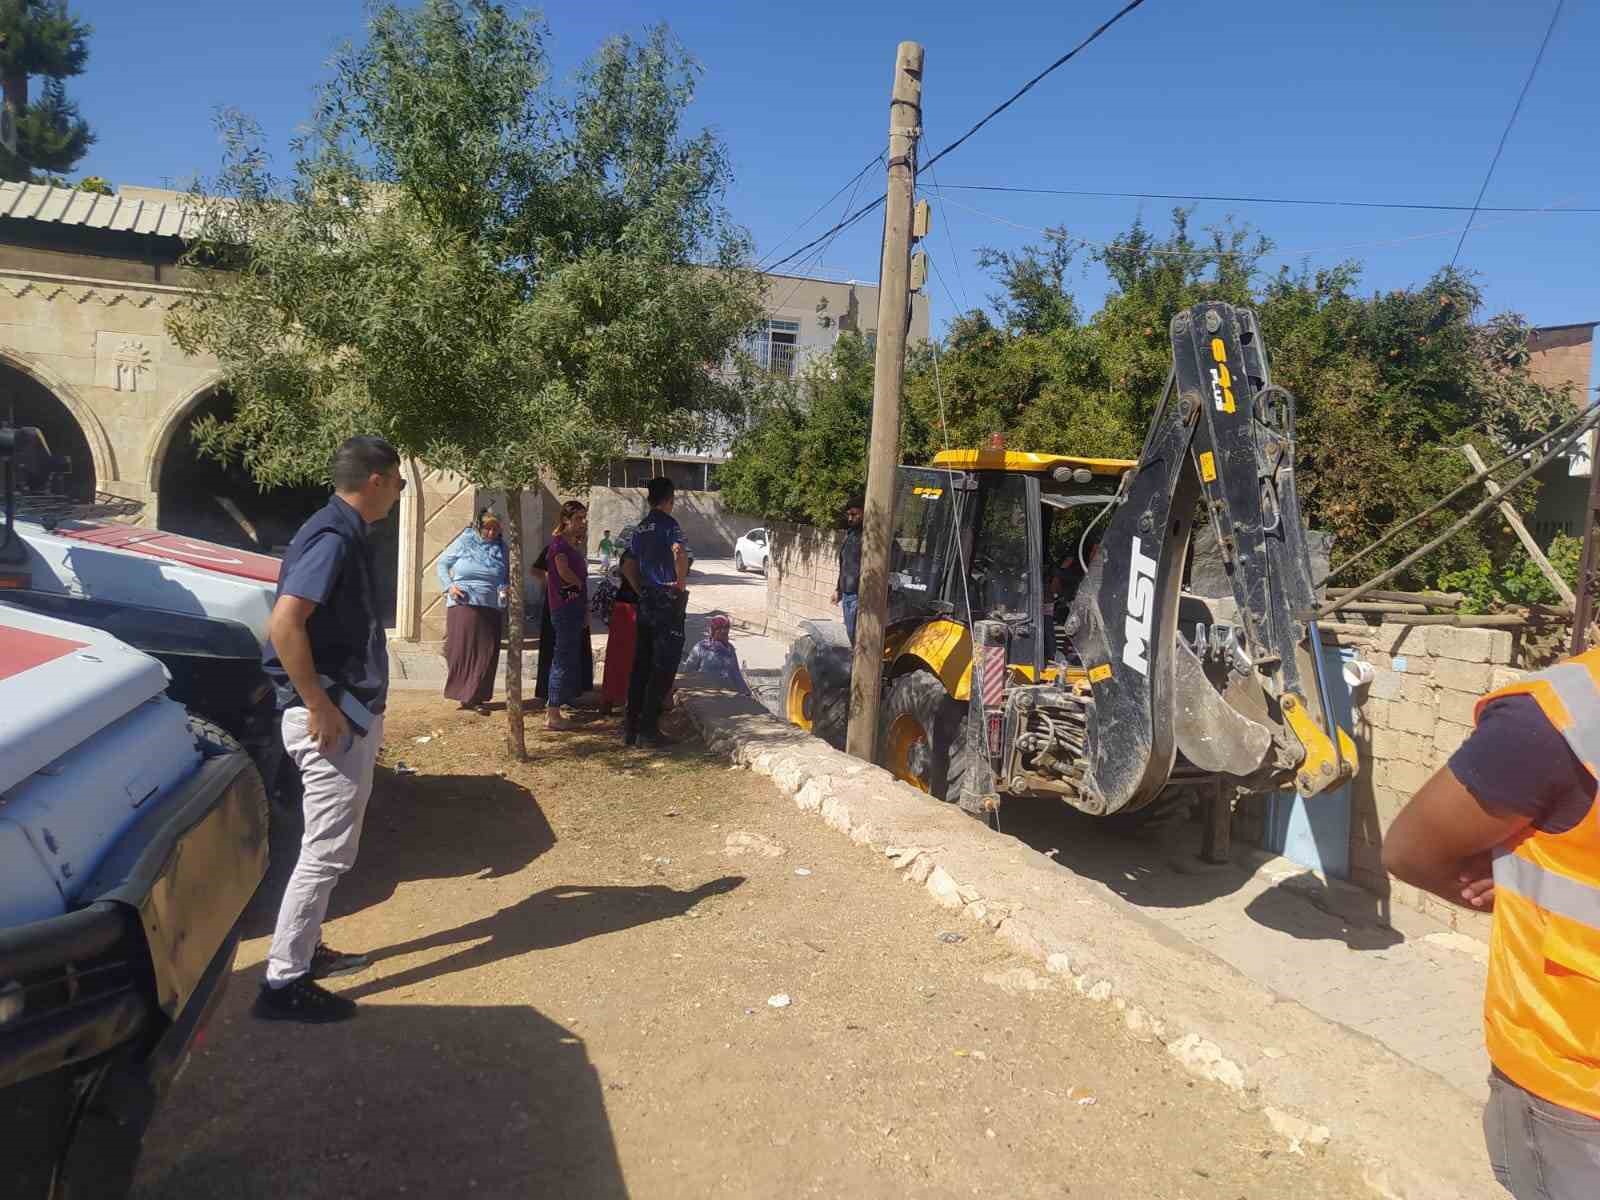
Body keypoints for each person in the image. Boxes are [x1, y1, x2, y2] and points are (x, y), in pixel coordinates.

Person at [1383, 653, 1600, 1197]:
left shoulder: (1558, 716)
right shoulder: (1561, 719)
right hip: (1575, 1092)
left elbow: (1412, 852)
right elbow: (1414, 850)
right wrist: (1528, 885)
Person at [253, 435, 405, 1024]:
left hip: (345, 711)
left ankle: (304, 948)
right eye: (398, 481)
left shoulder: (341, 530)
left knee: (327, 847)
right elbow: (286, 623)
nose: (398, 493)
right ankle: (282, 981)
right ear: (377, 479)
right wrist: (318, 703)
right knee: (325, 853)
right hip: (329, 717)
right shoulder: (332, 535)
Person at [622, 477, 689, 748]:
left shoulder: (640, 528)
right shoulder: (669, 525)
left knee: (642, 663)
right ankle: (649, 729)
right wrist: (680, 583)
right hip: (666, 598)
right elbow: (679, 552)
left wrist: (640, 590)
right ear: (669, 499)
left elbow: (627, 564)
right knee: (664, 664)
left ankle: (631, 728)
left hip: (647, 598)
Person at [436, 508, 509, 713]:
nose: (491, 533)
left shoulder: (502, 548)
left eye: (495, 529)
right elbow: (442, 564)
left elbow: (505, 575)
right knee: (464, 648)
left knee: (487, 649)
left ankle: (477, 696)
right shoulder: (465, 541)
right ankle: (465, 695)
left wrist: (505, 588)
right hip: (464, 600)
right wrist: (449, 586)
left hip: (491, 602)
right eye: (487, 528)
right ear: (479, 527)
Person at [544, 500, 592, 731]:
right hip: (564, 609)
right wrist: (578, 584)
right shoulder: (558, 546)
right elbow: (563, 572)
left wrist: (584, 606)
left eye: (584, 518)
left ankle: (559, 706)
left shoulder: (573, 544)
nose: (582, 523)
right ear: (566, 520)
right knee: (561, 660)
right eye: (578, 519)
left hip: (573, 608)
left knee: (568, 658)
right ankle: (552, 712)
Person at [531, 538, 594, 711]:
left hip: (572, 606)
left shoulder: (575, 551)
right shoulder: (555, 548)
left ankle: (570, 693)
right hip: (557, 606)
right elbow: (536, 570)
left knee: (574, 650)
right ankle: (552, 698)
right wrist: (552, 582)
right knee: (556, 651)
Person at [594, 523, 639, 716]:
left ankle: (611, 699)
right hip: (628, 609)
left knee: (619, 655)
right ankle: (616, 699)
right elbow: (631, 574)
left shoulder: (631, 555)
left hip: (623, 608)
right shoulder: (630, 557)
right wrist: (644, 594)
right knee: (624, 655)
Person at [681, 614, 751, 696]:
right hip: (705, 692)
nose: (724, 633)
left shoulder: (730, 649)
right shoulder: (702, 647)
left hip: (726, 693)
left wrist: (746, 693)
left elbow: (736, 674)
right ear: (713, 631)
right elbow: (688, 671)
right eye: (721, 630)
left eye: (726, 631)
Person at [833, 497, 863, 644]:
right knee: (850, 635)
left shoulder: (868, 538)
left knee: (854, 636)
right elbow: (844, 564)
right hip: (847, 593)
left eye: (854, 515)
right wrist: (838, 589)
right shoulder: (851, 534)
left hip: (858, 596)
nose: (850, 518)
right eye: (849, 515)